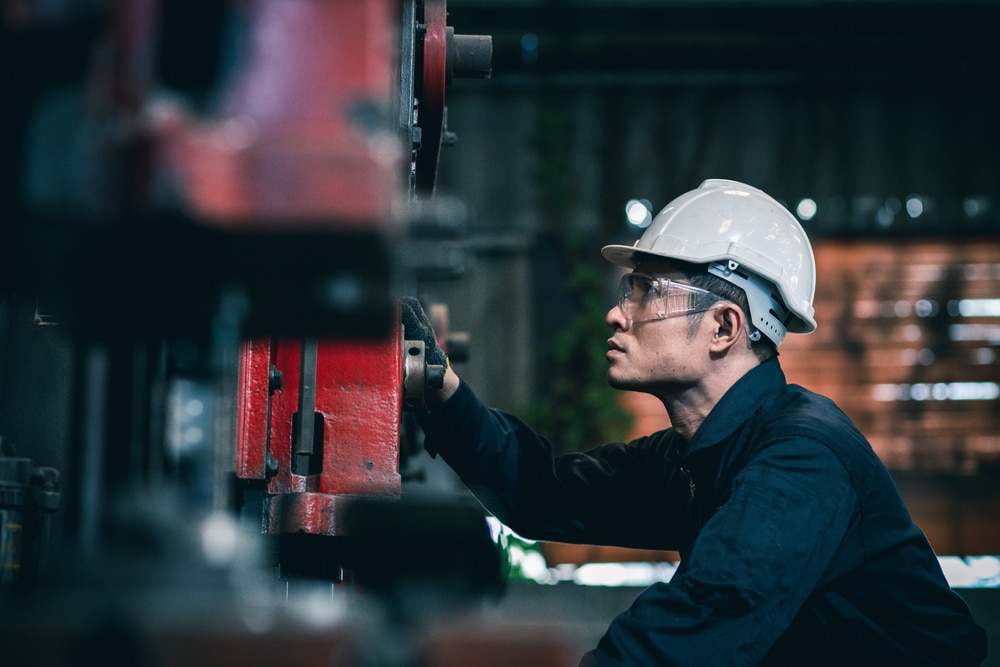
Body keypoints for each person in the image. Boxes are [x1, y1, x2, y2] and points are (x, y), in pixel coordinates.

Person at [400, 179, 988, 666]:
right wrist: (440, 391)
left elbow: (695, 629)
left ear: (725, 328)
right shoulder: (696, 456)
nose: (614, 313)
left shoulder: (800, 461)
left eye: (645, 292)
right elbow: (542, 491)